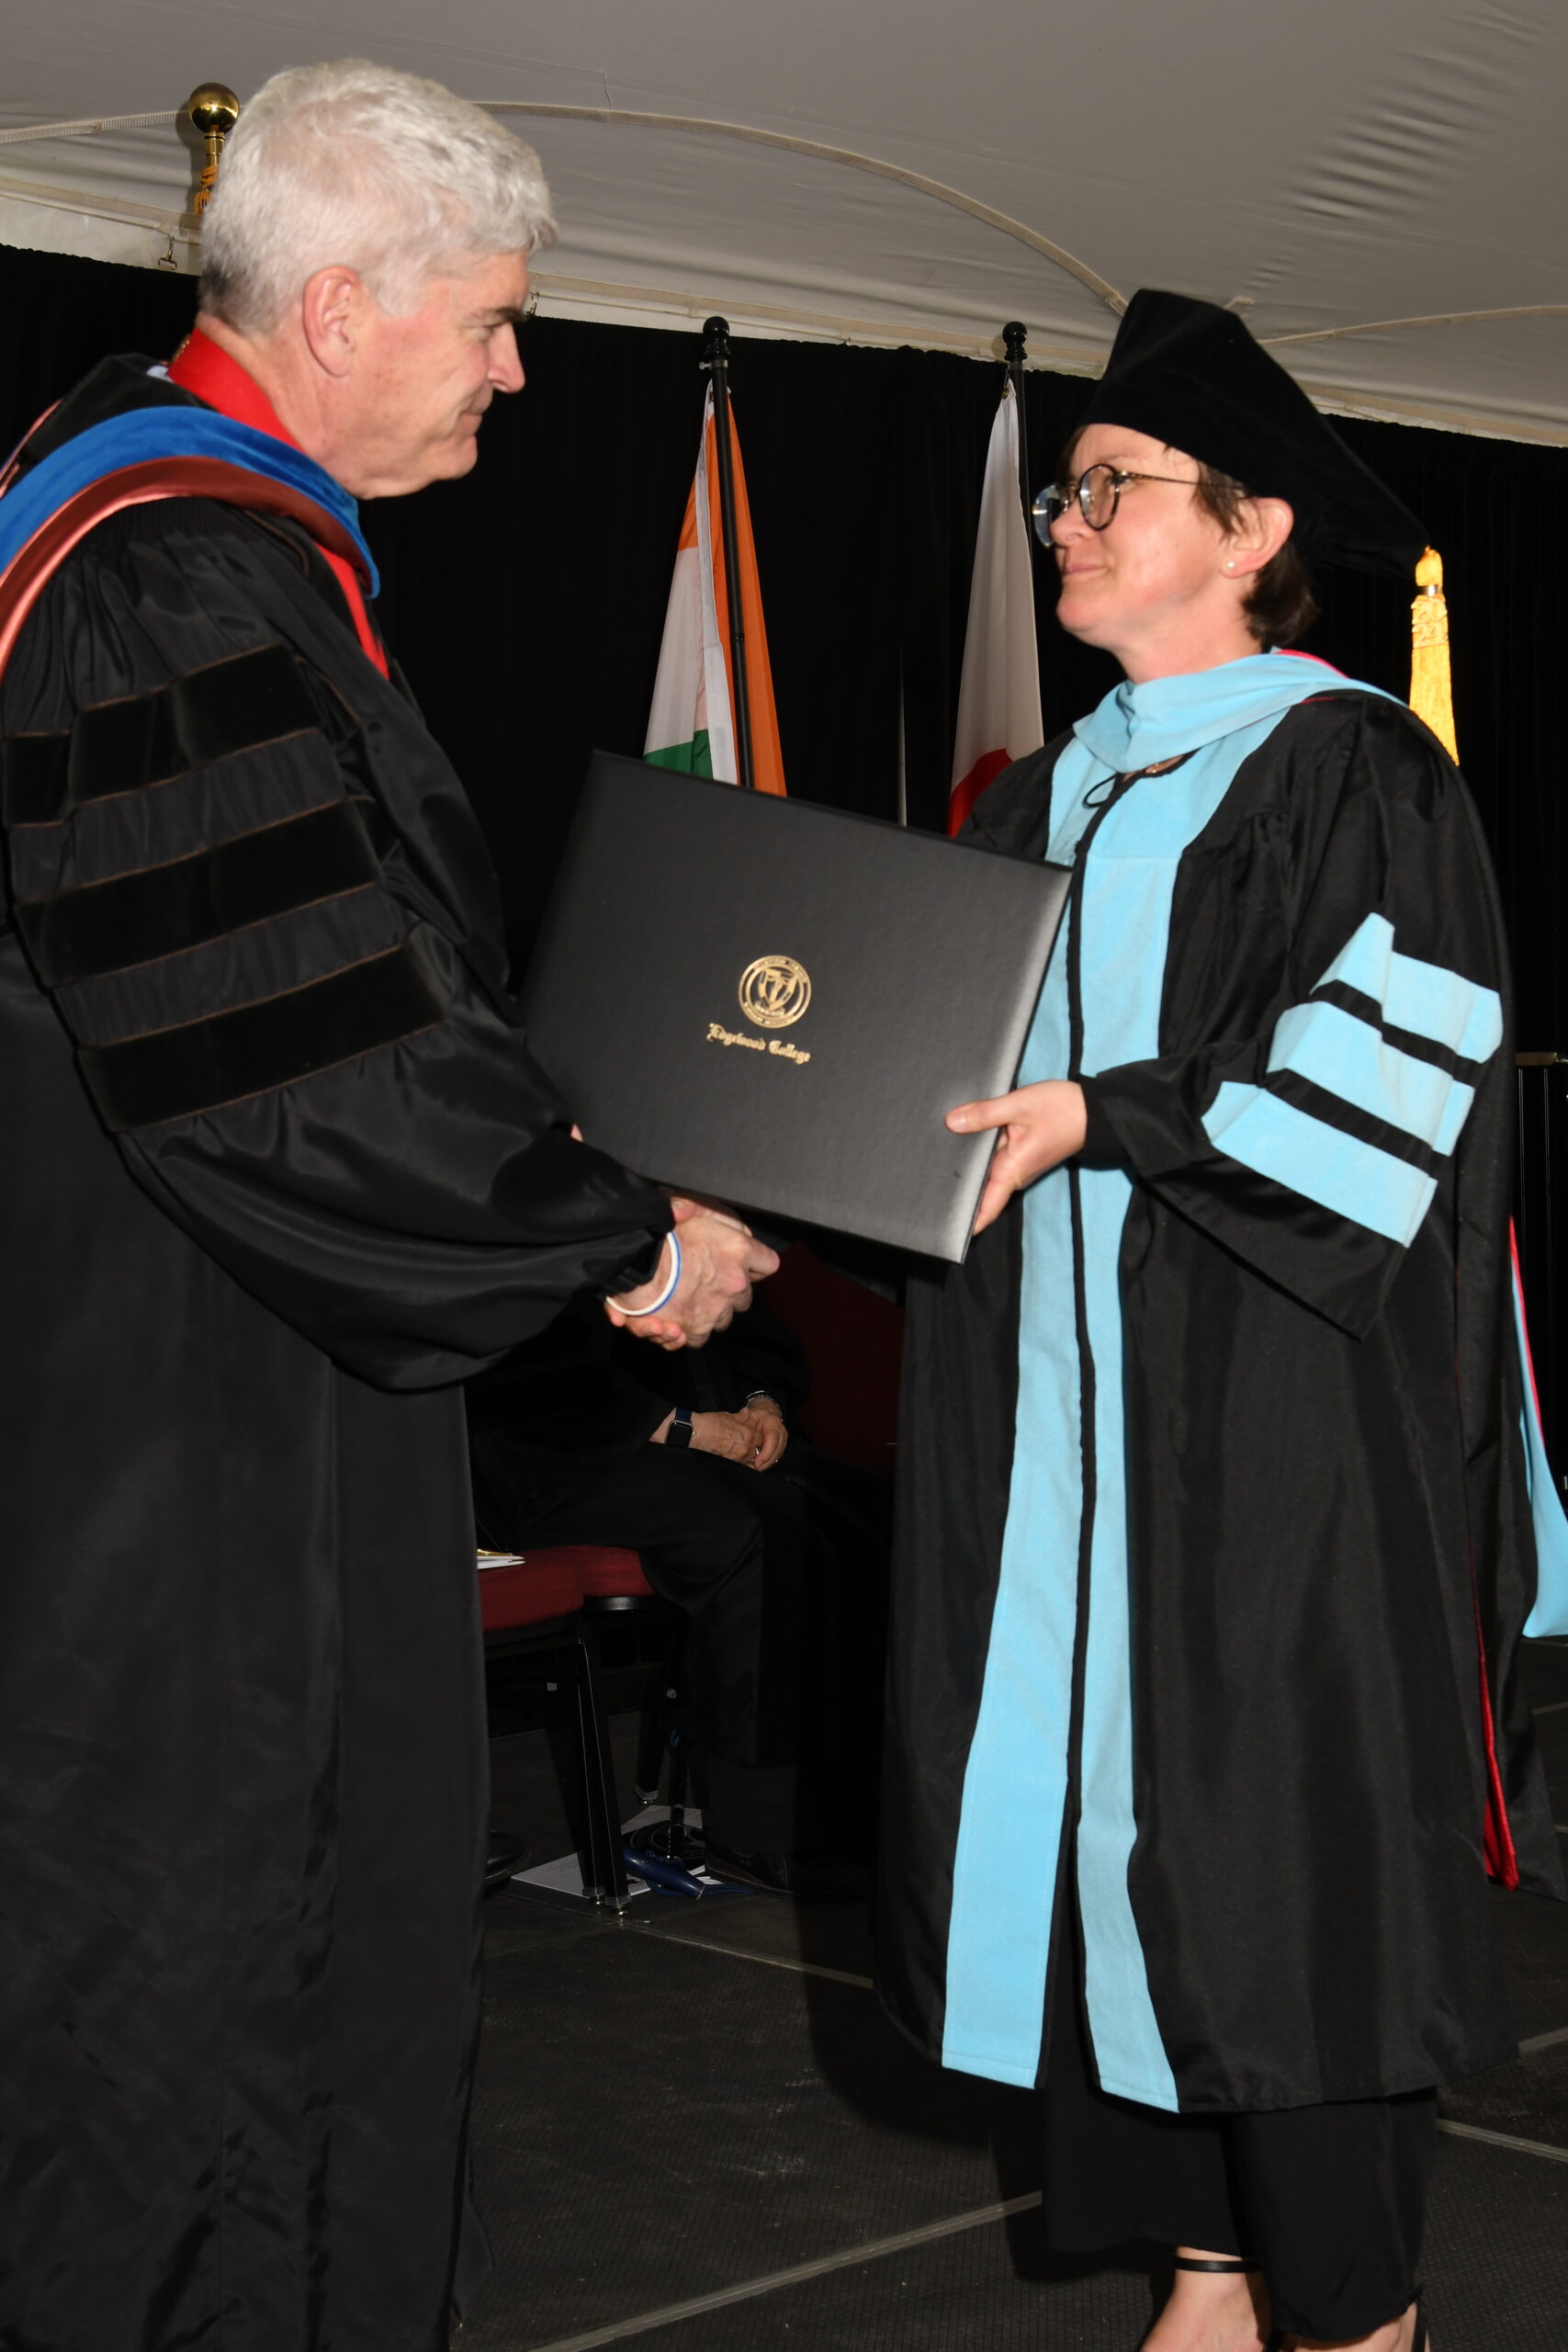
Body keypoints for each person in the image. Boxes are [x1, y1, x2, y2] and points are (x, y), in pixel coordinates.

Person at [0, 59, 775, 2352]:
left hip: (171, 1355)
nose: (518, 370)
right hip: (184, 1399)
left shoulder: (165, 530)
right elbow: (287, 1035)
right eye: (491, 323)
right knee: (210, 1962)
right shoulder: (167, 577)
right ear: (337, 308)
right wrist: (607, 1228)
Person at [877, 291, 1566, 2352]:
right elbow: (929, 1097)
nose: (1062, 523)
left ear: (1253, 528)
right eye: (1061, 491)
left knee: (1283, 1865)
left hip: (1274, 1458)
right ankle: (1205, 2271)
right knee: (1110, 1844)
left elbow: (1386, 1095)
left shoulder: (1356, 773)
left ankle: (1354, 2312)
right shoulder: (1036, 796)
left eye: (1110, 488)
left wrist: (1110, 1113)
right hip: (1064, 1464)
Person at [469, 1290, 888, 1891]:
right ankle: (756, 1835)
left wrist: (761, 1403)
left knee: (866, 1513)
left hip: (711, 1436)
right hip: (557, 1454)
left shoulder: (696, 1206)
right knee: (753, 1536)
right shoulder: (556, 1206)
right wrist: (690, 1429)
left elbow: (754, 1329)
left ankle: (859, 1808)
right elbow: (536, 1368)